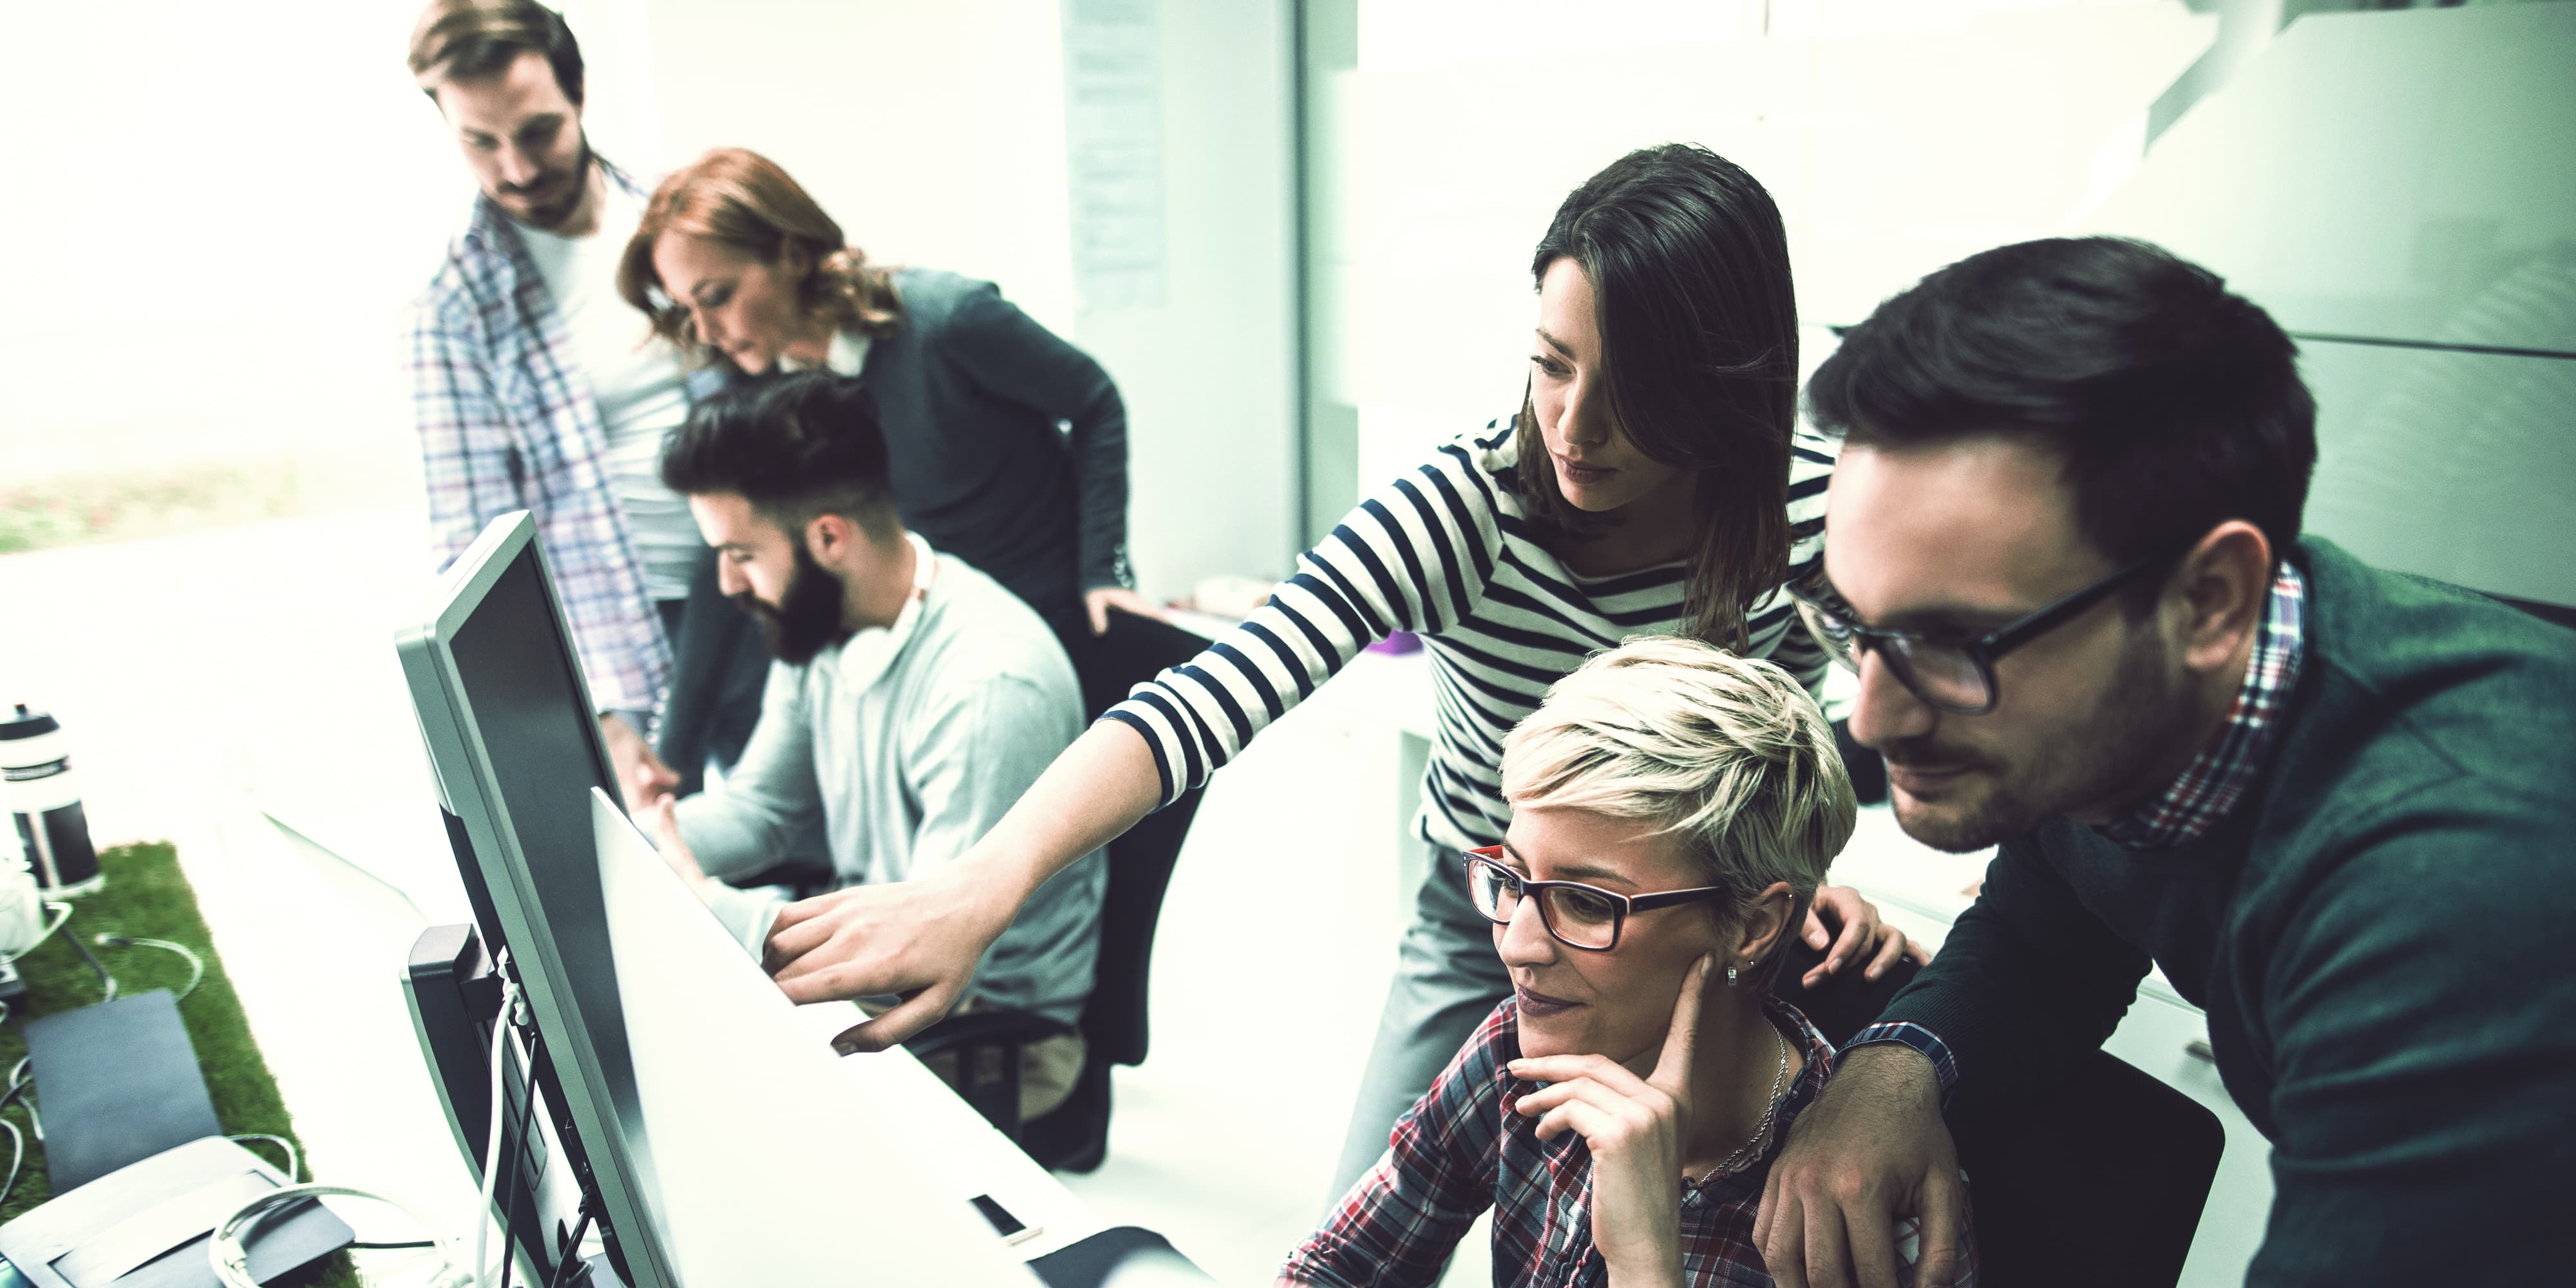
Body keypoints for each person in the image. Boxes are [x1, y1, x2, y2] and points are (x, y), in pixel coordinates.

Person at [748, 144, 1924, 1195]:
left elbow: (1869, 726)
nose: (1573, 426)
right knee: (1361, 1225)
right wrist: (981, 884)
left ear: (1723, 388)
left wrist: (1798, 876)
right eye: (1552, 366)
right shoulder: (1469, 506)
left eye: (1632, 396)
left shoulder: (1806, 512)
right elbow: (1216, 689)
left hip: (1703, 930)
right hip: (1490, 925)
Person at [1753, 236, 2576, 1286]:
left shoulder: (2468, 898)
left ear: (2210, 602)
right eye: (1852, 623)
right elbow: (2051, 926)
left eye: (1952, 644)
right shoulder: (2106, 716)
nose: (1867, 718)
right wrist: (1897, 1061)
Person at [1281, 639, 1975, 1287]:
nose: (1517, 944)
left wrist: (1645, 1260)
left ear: (1753, 926)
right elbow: (1337, 1267)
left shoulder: (1856, 1203)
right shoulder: (1515, 1053)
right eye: (1514, 880)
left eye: (1585, 902)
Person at [615, 148, 1158, 802]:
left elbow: (1094, 399)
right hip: (923, 642)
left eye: (718, 297)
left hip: (1041, 634)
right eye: (686, 311)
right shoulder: (764, 390)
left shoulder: (948, 320)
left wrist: (1105, 568)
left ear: (789, 253)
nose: (706, 331)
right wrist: (674, 756)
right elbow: (724, 555)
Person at [643, 370, 1106, 1121]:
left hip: (987, 1035)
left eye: (741, 553)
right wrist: (629, 837)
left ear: (829, 536)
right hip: (888, 956)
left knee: (691, 1104)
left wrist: (708, 906)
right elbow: (765, 808)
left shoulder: (988, 685)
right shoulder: (821, 621)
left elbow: (919, 958)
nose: (726, 584)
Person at [403, 0, 709, 778]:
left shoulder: (679, 213)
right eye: (481, 142)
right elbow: (474, 557)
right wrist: (598, 708)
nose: (517, 167)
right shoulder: (457, 307)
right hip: (624, 650)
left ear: (577, 94)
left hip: (771, 591)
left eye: (537, 130)